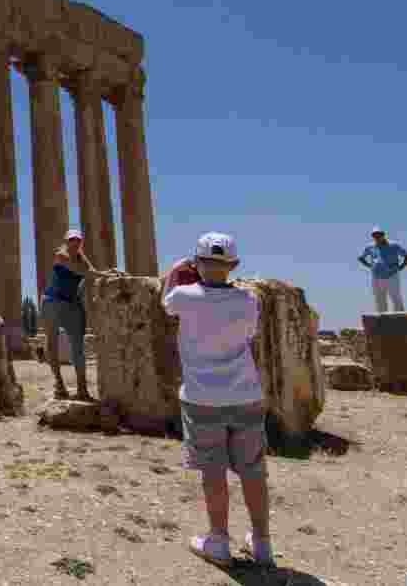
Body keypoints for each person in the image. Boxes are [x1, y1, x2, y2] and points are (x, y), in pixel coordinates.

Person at [162, 232, 274, 568]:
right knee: (253, 471)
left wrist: (176, 268)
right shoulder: (248, 301)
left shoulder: (183, 296)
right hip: (246, 395)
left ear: (196, 265)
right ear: (234, 265)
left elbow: (165, 300)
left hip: (201, 399)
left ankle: (219, 540)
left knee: (213, 472)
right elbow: (250, 334)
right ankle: (262, 542)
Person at [41, 229, 97, 401]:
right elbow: (83, 272)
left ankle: (82, 389)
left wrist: (109, 274)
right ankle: (59, 384)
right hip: (52, 302)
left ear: (81, 242)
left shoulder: (81, 256)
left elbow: (91, 272)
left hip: (72, 304)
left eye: (78, 240)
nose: (75, 243)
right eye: (72, 240)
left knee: (78, 347)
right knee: (52, 343)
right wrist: (99, 273)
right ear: (66, 241)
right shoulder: (61, 255)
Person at [357, 226, 407, 313]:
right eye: (374, 235)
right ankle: (383, 319)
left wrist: (401, 267)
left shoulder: (394, 245)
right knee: (379, 298)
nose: (377, 237)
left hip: (392, 275)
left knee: (396, 297)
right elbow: (361, 258)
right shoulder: (370, 247)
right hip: (377, 276)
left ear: (383, 235)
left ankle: (399, 318)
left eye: (379, 235)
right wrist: (370, 266)